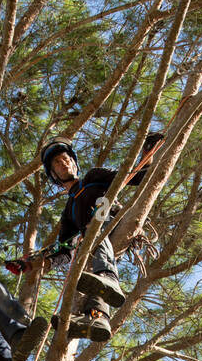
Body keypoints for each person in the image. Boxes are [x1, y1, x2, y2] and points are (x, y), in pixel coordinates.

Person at [38, 132, 165, 341]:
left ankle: (109, 276)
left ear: (74, 163)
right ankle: (96, 316)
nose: (64, 164)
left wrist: (148, 153)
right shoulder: (69, 212)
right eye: (58, 163)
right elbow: (65, 249)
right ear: (54, 175)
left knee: (91, 233)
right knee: (85, 275)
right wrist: (47, 263)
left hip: (115, 223)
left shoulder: (93, 177)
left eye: (66, 159)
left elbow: (135, 177)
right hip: (96, 245)